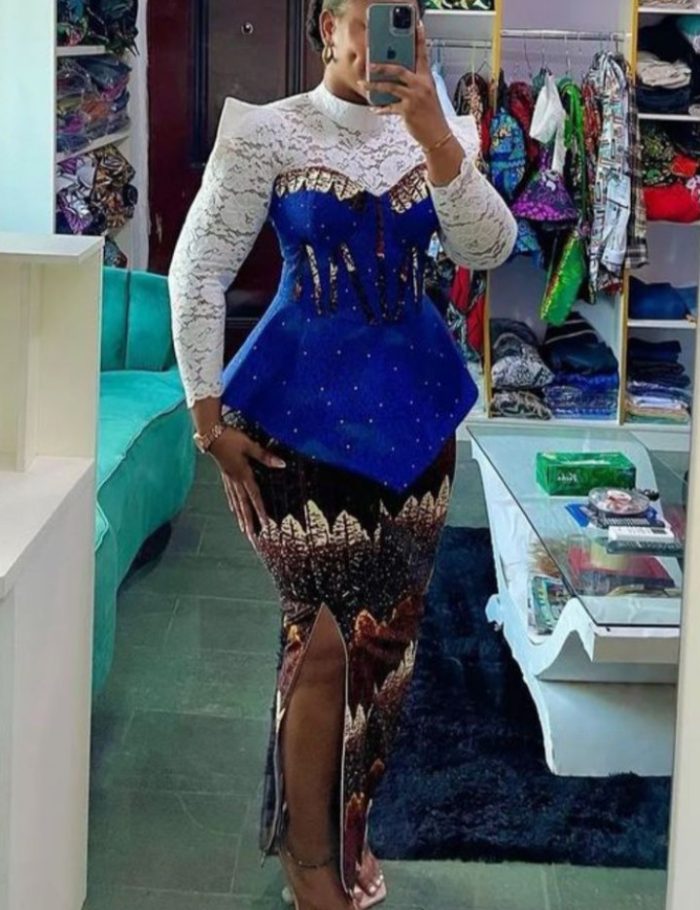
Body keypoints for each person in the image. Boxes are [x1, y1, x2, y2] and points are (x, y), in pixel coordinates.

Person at [167, 1, 517, 908]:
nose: (384, 39)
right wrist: (207, 421)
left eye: (404, 17)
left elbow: (490, 246)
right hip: (293, 433)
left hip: (416, 433)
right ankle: (309, 860)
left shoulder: (441, 130)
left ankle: (349, 825)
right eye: (366, 17)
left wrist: (436, 136)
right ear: (329, 27)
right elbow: (198, 269)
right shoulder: (268, 132)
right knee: (321, 644)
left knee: (385, 649)